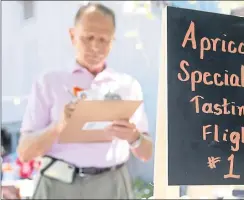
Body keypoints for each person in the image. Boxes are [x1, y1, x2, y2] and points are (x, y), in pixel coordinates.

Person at [16, 3, 153, 199]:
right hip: (59, 186)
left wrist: (134, 136)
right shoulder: (49, 82)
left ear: (112, 41)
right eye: (88, 37)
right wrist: (59, 126)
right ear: (72, 35)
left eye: (103, 39)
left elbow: (146, 153)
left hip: (112, 186)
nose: (95, 46)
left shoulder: (128, 85)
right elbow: (24, 153)